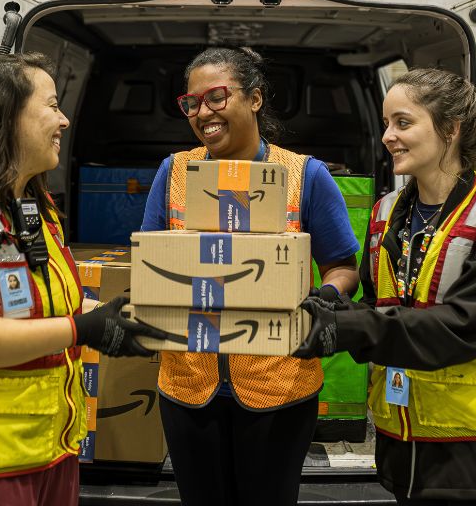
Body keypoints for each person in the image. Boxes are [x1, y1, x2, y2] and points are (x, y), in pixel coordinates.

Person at [0, 53, 165, 506]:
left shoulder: (31, 208)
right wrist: (81, 329)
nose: (64, 120)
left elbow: (50, 308)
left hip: (47, 453)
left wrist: (116, 319)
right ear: (7, 116)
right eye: (52, 105)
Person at [295, 68, 476, 506]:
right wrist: (331, 306)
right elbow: (379, 305)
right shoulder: (386, 212)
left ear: (450, 129)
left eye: (403, 123)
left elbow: (464, 325)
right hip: (403, 446)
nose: (388, 136)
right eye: (386, 123)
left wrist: (347, 329)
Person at [140, 46, 361, 506]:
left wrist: (324, 297)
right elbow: (151, 262)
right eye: (192, 103)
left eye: (217, 97)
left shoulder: (305, 175)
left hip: (279, 386)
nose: (204, 112)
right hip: (188, 384)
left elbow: (343, 267)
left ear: (255, 98)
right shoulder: (174, 172)